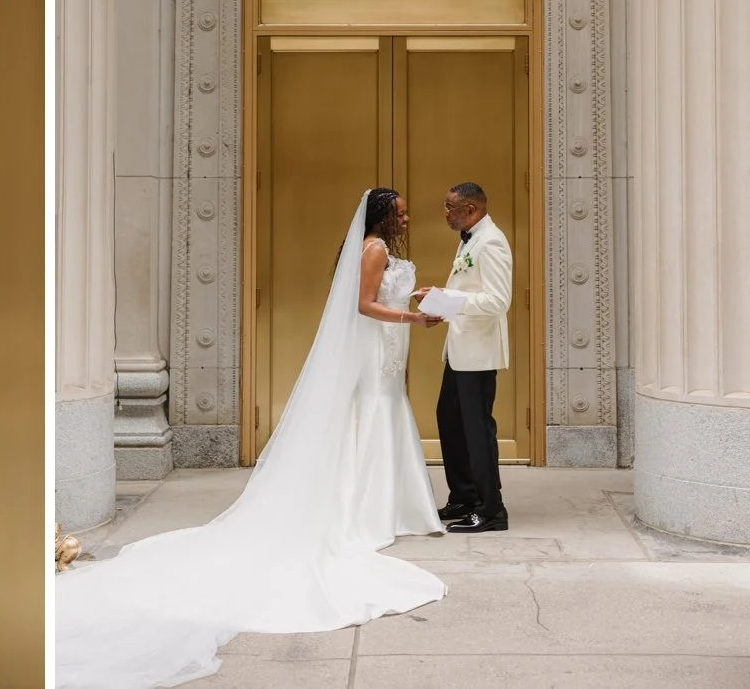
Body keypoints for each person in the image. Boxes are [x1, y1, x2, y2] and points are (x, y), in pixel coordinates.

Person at [55, 189, 445, 689]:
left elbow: (385, 295)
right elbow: (365, 305)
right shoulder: (371, 249)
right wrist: (412, 316)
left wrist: (414, 298)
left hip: (389, 351)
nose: (407, 217)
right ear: (381, 216)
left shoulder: (385, 252)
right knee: (373, 414)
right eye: (400, 211)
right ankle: (369, 508)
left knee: (386, 413)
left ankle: (391, 504)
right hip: (373, 348)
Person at [419, 181, 512, 534]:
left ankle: (491, 510)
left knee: (477, 430)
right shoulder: (472, 239)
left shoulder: (491, 242)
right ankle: (464, 495)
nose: (445, 213)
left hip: (478, 352)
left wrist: (447, 300)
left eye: (449, 207)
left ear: (470, 209)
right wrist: (442, 298)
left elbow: (498, 302)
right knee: (449, 419)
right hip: (459, 351)